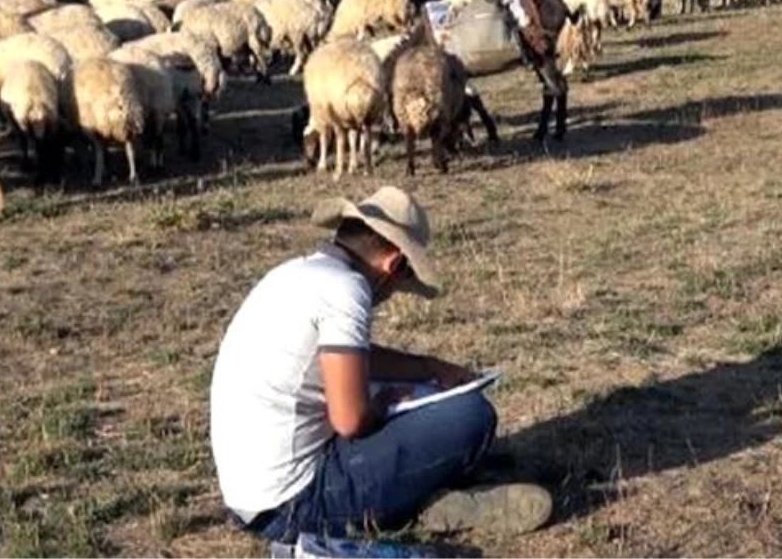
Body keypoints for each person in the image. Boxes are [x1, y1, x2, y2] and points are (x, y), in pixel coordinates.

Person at [210, 186, 552, 545]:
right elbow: (350, 419)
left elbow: (348, 359)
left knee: (428, 416)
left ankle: (422, 495)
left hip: (251, 499)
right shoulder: (347, 290)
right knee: (472, 415)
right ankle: (420, 504)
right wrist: (385, 403)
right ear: (395, 265)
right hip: (296, 504)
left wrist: (429, 368)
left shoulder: (293, 274)